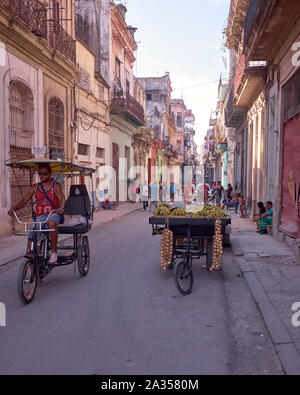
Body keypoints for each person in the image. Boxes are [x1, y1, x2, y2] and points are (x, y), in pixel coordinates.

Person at [8, 164, 64, 264]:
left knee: (51, 223)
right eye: (40, 173)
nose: (42, 175)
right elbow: (24, 200)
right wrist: (14, 209)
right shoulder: (35, 187)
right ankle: (31, 253)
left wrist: (60, 207)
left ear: (50, 174)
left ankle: (54, 252)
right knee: (33, 227)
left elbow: (61, 198)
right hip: (40, 216)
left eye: (44, 173)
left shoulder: (56, 185)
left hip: (53, 213)